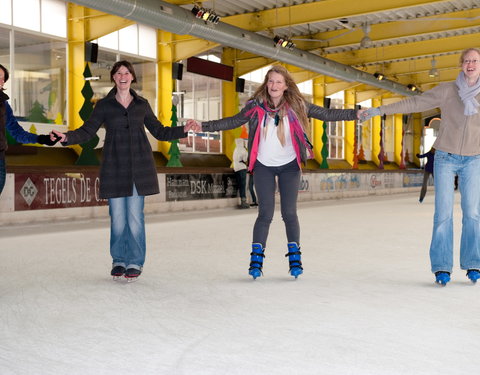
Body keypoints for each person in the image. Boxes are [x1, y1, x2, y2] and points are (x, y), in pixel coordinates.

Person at [187, 65, 362, 279]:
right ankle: (256, 260)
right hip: (263, 166)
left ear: (286, 85)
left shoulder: (297, 105)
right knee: (265, 214)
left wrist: (355, 114)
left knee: (289, 214)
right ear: (266, 84)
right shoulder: (255, 107)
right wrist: (203, 126)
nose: (274, 85)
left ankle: (295, 257)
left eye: (279, 82)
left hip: (289, 165)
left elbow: (326, 114)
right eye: (270, 81)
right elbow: (233, 121)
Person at [51, 60, 199, 282]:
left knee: (135, 218)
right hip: (114, 166)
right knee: (118, 218)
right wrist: (67, 137)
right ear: (113, 77)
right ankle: (119, 259)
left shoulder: (142, 105)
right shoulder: (103, 106)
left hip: (139, 167)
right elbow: (87, 131)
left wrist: (183, 130)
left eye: (127, 72)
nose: (122, 76)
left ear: (132, 77)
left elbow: (159, 131)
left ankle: (135, 261)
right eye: (118, 73)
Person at [362, 47, 480, 286]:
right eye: (466, 60)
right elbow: (416, 102)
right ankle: (441, 267)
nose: (470, 64)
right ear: (460, 64)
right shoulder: (448, 90)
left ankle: (473, 263)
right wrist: (379, 110)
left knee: (473, 213)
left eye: (475, 61)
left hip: (474, 158)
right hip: (446, 157)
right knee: (443, 214)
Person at [0, 64, 58, 195]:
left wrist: (41, 138)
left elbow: (17, 132)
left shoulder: (4, 105)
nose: (1, 82)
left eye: (3, 79)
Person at [232, 138, 250, 208]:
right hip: (242, 168)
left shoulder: (235, 150)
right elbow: (245, 159)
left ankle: (241, 201)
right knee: (243, 185)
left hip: (236, 168)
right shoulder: (243, 150)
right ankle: (243, 202)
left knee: (239, 185)